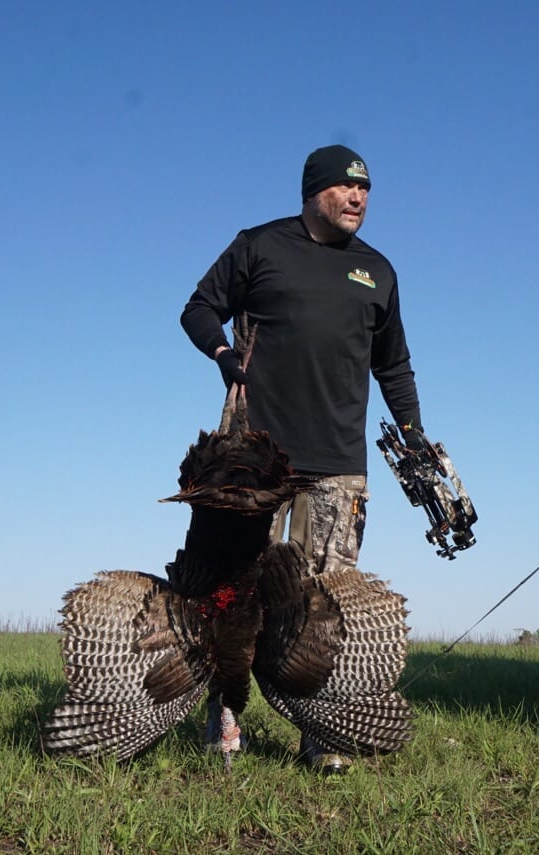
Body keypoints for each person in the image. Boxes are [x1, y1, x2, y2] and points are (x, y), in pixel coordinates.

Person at [180, 143, 428, 773]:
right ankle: (225, 717)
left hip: (338, 462)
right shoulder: (260, 246)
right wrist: (222, 354)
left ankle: (322, 734)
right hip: (251, 463)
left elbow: (393, 365)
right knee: (231, 595)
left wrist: (414, 433)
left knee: (322, 604)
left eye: (366, 191)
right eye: (347, 188)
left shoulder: (379, 272)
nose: (358, 199)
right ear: (315, 190)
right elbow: (199, 308)